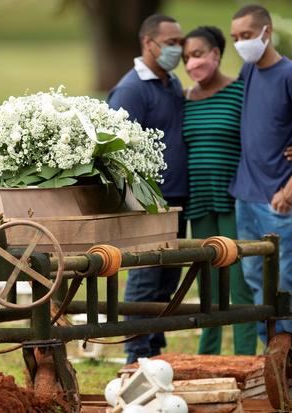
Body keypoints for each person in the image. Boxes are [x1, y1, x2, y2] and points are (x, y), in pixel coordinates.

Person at [229, 4, 292, 386]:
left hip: (277, 198)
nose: (241, 43)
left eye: (247, 36)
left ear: (266, 32)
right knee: (255, 277)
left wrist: (291, 188)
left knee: (285, 277)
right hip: (245, 194)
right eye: (235, 38)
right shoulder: (248, 70)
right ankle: (273, 353)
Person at [107, 14, 187, 364]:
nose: (177, 49)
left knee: (169, 276)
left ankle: (154, 349)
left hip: (177, 197)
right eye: (170, 43)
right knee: (146, 277)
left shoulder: (172, 83)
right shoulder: (131, 89)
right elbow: (115, 150)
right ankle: (136, 355)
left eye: (179, 43)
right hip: (149, 202)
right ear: (148, 43)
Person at [181, 26, 257, 356]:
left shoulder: (241, 92)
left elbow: (262, 134)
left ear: (216, 54)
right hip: (199, 200)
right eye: (185, 58)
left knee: (238, 283)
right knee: (207, 284)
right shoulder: (185, 98)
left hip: (231, 198)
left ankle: (245, 358)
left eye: (197, 54)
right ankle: (208, 356)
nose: (191, 63)